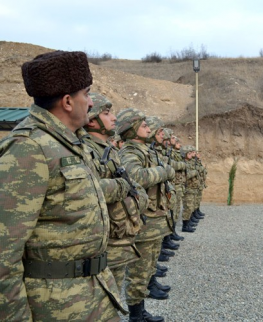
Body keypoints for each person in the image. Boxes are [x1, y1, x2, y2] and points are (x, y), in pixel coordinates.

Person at [0, 50, 124, 321]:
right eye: (87, 94)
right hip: (56, 308)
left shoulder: (67, 143)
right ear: (68, 101)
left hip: (93, 296)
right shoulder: (28, 148)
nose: (90, 103)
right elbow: (2, 257)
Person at [82, 93, 156, 321]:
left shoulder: (109, 150)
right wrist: (125, 187)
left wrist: (137, 197)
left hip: (121, 233)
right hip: (105, 239)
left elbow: (135, 186)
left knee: (115, 293)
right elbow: (87, 189)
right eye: (107, 113)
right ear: (92, 120)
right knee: (102, 300)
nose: (113, 118)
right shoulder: (85, 149)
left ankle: (136, 312)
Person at [116, 108, 174, 321]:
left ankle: (141, 311)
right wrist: (164, 171)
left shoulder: (144, 150)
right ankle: (136, 316)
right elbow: (137, 177)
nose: (148, 129)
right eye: (144, 126)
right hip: (144, 220)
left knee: (149, 265)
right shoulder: (130, 152)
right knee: (138, 272)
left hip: (154, 219)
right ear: (131, 130)